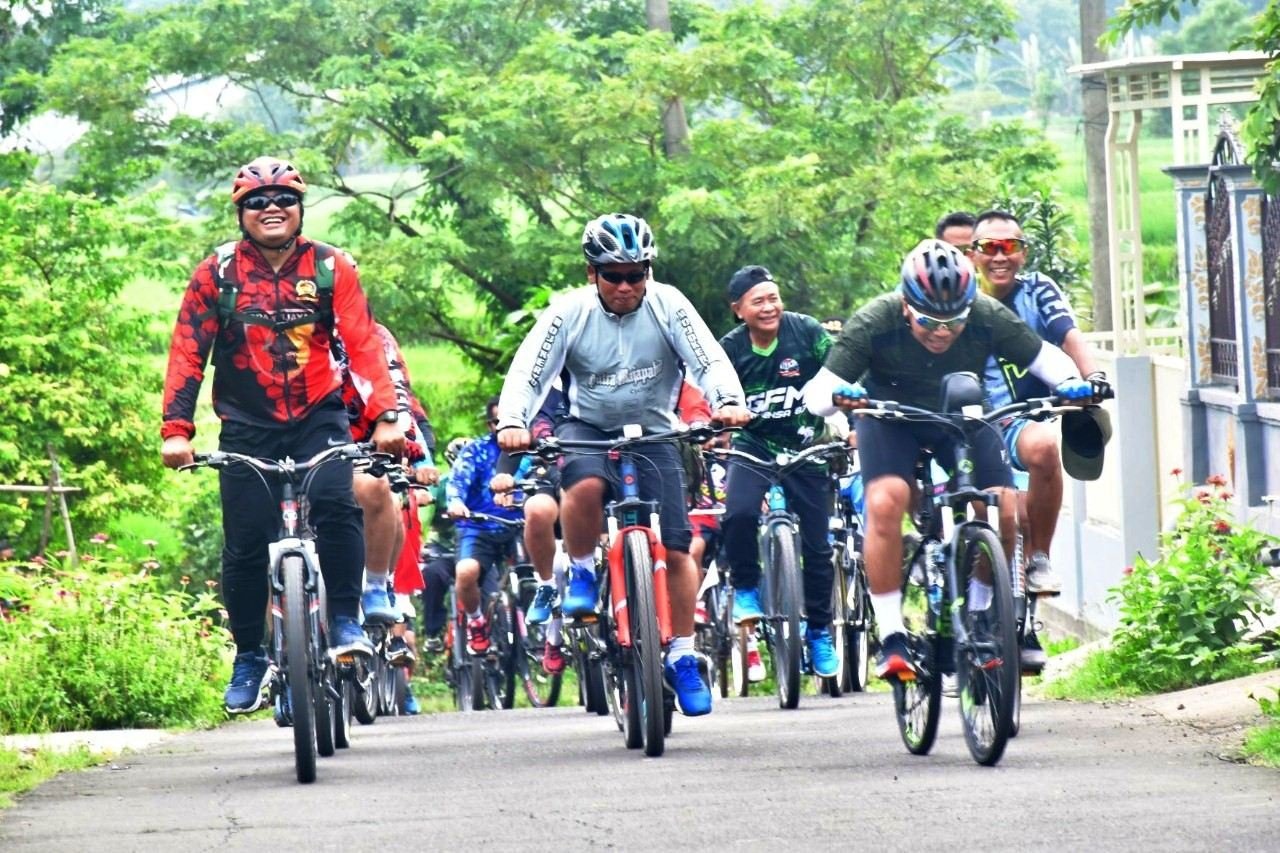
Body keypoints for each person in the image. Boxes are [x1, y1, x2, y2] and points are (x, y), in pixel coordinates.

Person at [161, 156, 405, 713]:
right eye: (257, 202)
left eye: (283, 200)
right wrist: (177, 431)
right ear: (241, 212)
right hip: (246, 422)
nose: (271, 209)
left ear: (300, 208)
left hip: (319, 412)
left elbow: (364, 342)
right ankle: (249, 655)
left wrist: (387, 415)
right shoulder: (216, 274)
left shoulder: (330, 266)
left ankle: (344, 620)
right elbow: (187, 352)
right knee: (245, 542)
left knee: (336, 504)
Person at [495, 212, 751, 717]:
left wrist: (727, 400)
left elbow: (708, 358)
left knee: (679, 547)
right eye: (614, 275)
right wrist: (512, 420)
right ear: (592, 273)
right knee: (584, 489)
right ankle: (585, 572)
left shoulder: (669, 304)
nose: (627, 285)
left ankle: (680, 655)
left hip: (655, 429)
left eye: (637, 274)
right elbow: (530, 370)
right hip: (587, 427)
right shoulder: (567, 313)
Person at [803, 239, 1092, 680]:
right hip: (892, 418)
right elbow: (816, 396)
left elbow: (1045, 358)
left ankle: (978, 614)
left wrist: (1074, 382)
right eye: (927, 321)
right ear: (905, 306)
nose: (941, 332)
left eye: (954, 322)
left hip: (961, 415)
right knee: (886, 500)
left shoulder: (985, 313)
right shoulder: (874, 320)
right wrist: (841, 396)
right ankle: (893, 635)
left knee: (1005, 509)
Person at [970, 211, 1109, 656]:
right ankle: (974, 608)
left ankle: (1033, 586)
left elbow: (1070, 337)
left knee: (1042, 466)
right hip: (972, 423)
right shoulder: (961, 297)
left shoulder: (1038, 291)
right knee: (1000, 517)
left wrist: (1095, 376)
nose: (999, 256)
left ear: (1022, 251)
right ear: (973, 254)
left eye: (1008, 246)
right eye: (989, 247)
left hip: (1027, 417)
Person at [717, 265, 843, 679]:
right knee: (737, 514)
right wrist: (720, 416)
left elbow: (841, 370)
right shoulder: (730, 349)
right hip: (753, 447)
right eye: (758, 301)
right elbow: (710, 392)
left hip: (806, 446)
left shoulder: (806, 332)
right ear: (739, 310)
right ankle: (748, 589)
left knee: (819, 545)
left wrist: (850, 415)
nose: (769, 307)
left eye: (773, 297)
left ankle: (820, 631)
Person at [335, 322, 438, 624]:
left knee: (387, 499)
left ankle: (381, 586)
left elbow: (399, 398)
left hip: (373, 440)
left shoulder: (374, 335)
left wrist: (417, 459)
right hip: (310, 442)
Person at [445, 397, 523, 655]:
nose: (503, 428)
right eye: (497, 422)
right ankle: (477, 622)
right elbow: (457, 482)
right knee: (465, 573)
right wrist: (456, 503)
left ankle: (550, 633)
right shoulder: (475, 451)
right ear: (490, 425)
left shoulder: (531, 450)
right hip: (479, 527)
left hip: (520, 526)